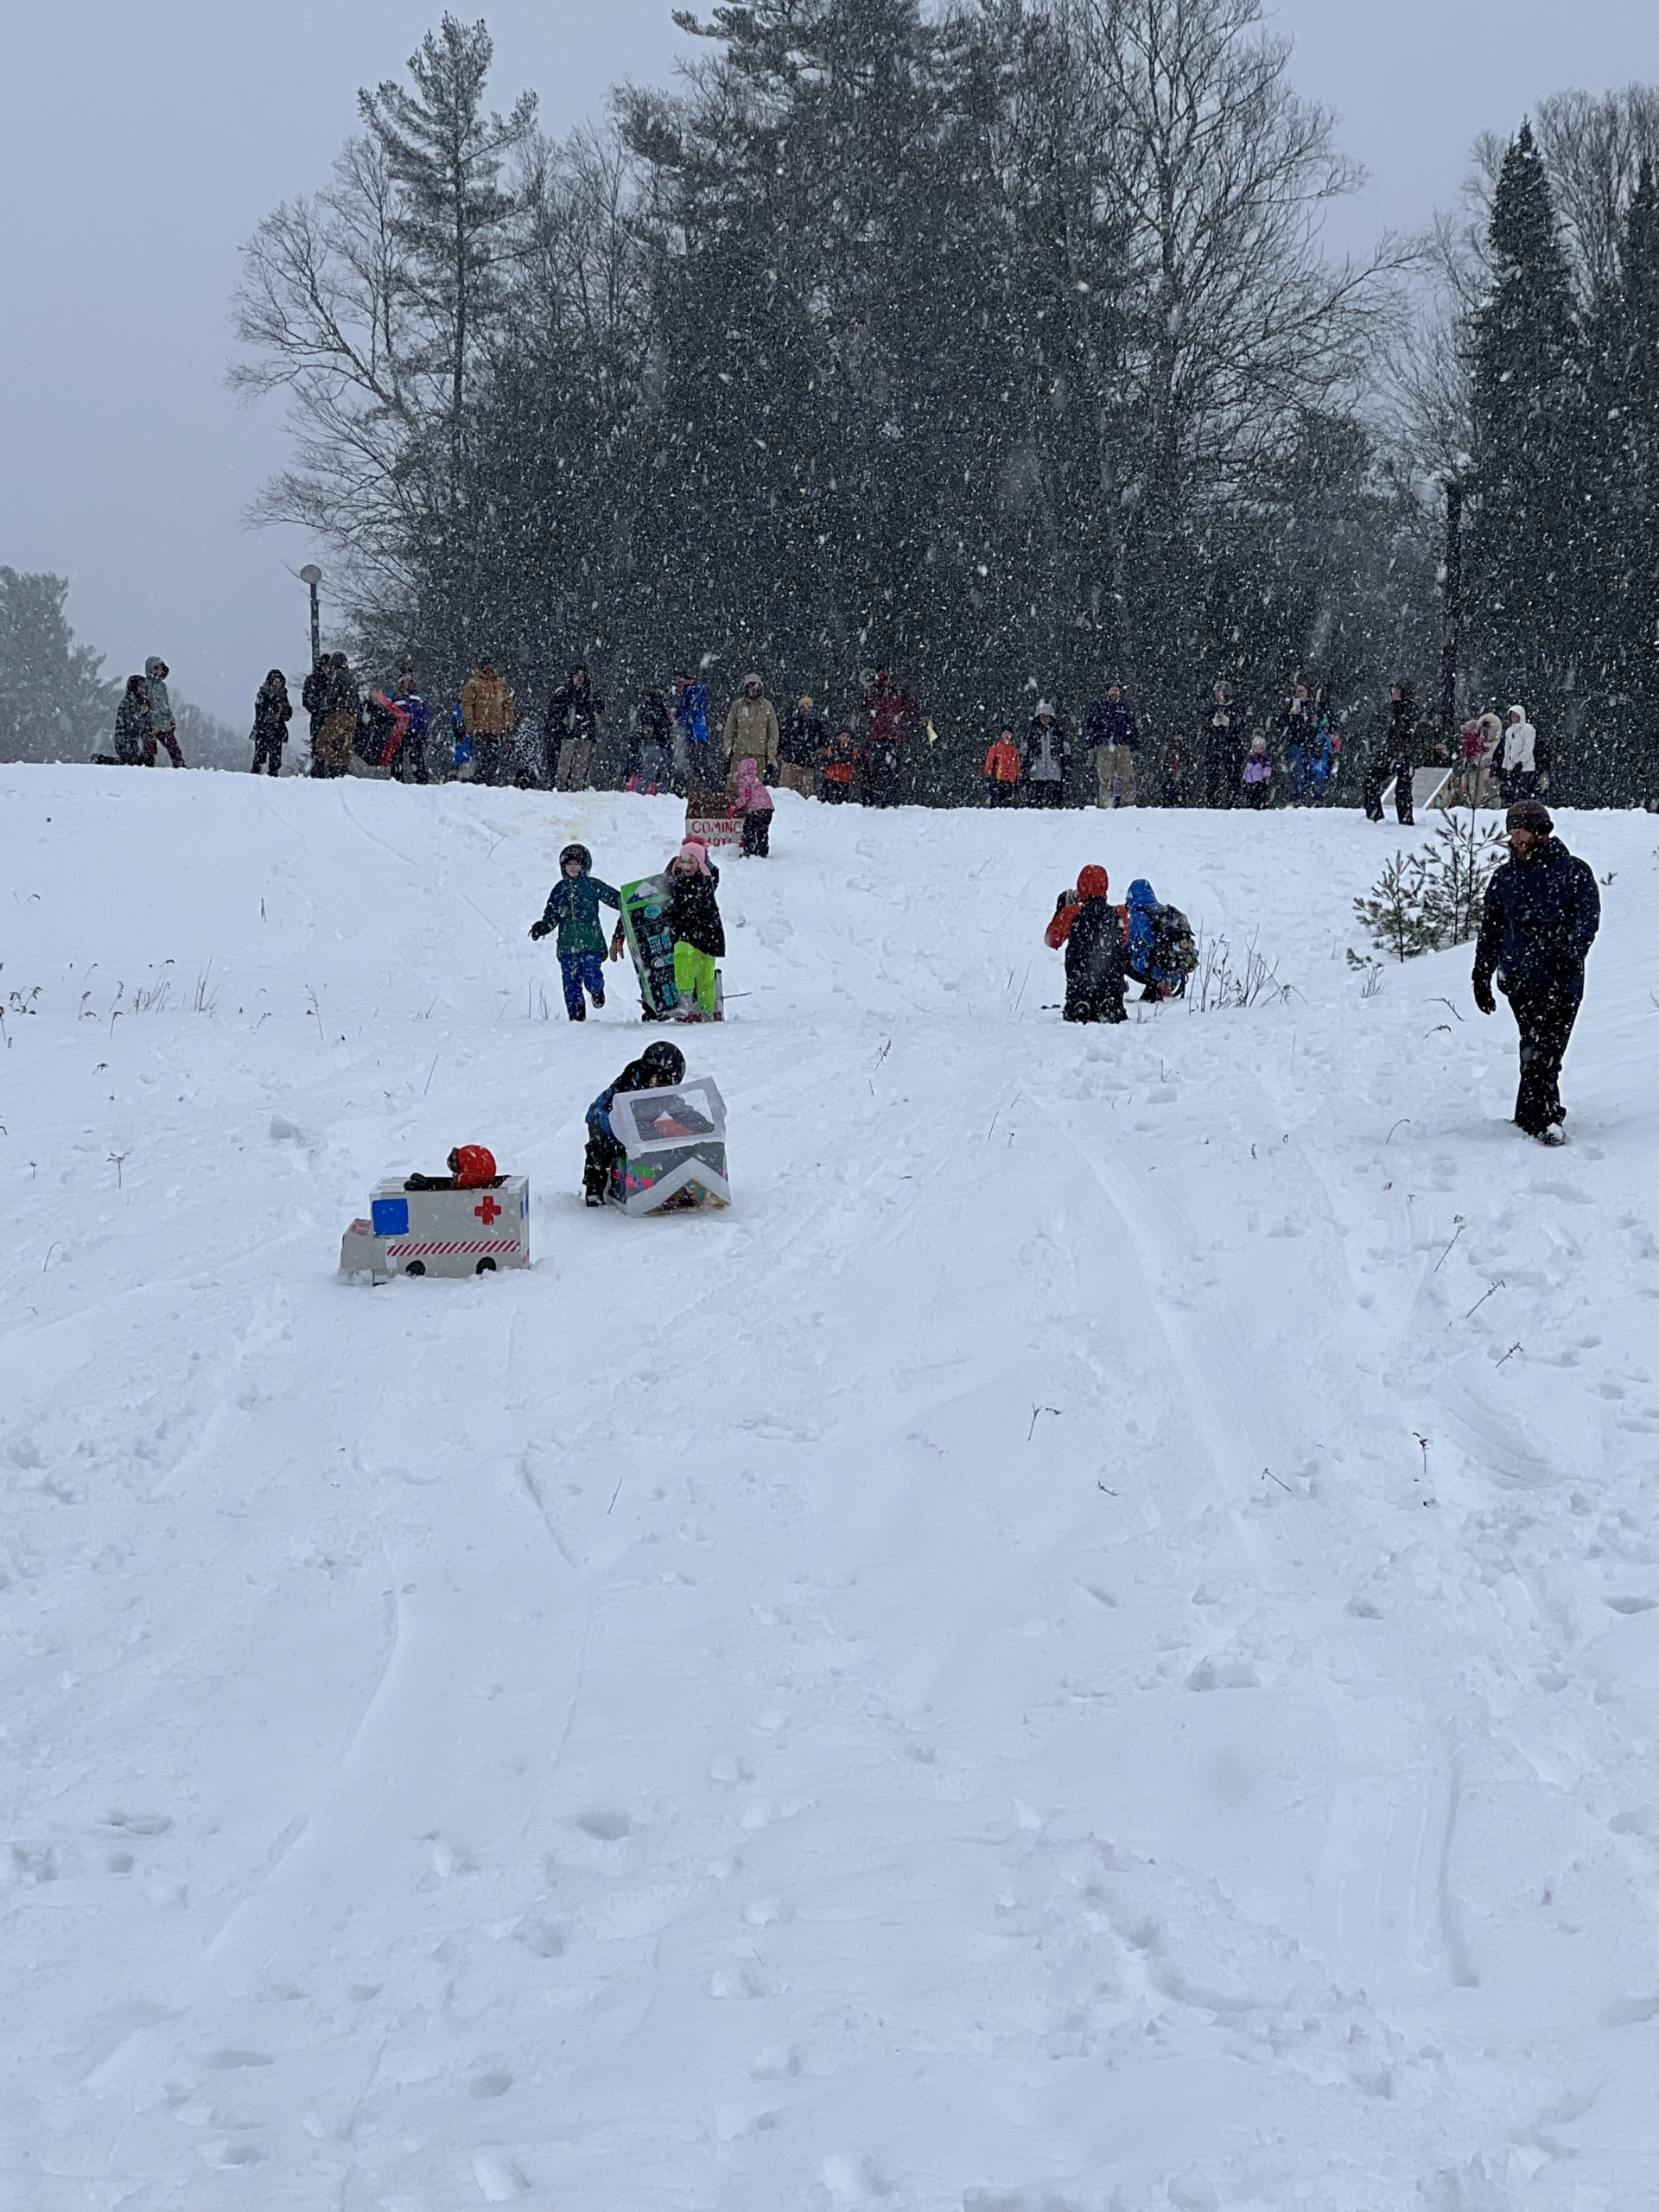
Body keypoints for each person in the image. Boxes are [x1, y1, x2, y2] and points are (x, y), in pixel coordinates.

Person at [1471, 801, 1599, 1144]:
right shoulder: (1505, 878)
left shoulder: (1574, 872)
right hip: (1520, 979)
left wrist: (1571, 954)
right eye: (1511, 832)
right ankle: (1542, 1120)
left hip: (1563, 981)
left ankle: (1535, 1115)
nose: (1514, 838)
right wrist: (1481, 976)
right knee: (1538, 1050)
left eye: (1521, 831)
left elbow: (1587, 919)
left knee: (1546, 1052)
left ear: (1541, 832)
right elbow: (1491, 930)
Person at [620, 837, 725, 1020]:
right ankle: (684, 1001)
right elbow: (642, 902)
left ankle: (707, 1010)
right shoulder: (674, 881)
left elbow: (710, 877)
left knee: (705, 974)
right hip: (685, 932)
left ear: (700, 864)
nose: (686, 866)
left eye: (691, 862)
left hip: (708, 933)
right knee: (682, 954)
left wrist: (702, 854)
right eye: (683, 861)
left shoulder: (706, 881)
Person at [582, 1040, 687, 1206]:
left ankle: (657, 1183)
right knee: (602, 1149)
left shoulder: (663, 1092)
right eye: (658, 1081)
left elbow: (680, 1109)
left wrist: (700, 1124)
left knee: (658, 1141)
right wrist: (628, 1134)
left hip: (637, 1121)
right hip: (603, 1120)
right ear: (648, 1074)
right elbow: (614, 1114)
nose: (661, 1088)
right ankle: (594, 1190)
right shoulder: (627, 1085)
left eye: (668, 1085)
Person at [530, 842, 624, 1021]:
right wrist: (543, 927)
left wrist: (633, 902)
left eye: (577, 864)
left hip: (591, 943)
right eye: (569, 864)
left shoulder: (592, 885)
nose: (573, 868)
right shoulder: (560, 889)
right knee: (571, 984)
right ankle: (576, 1019)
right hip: (567, 947)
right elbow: (552, 915)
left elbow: (616, 899)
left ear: (584, 866)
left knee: (591, 975)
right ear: (563, 867)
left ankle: (597, 991)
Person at [1045, 865, 1128, 1024]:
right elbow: (1124, 941)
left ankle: (1082, 1005)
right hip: (1111, 991)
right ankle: (1109, 1005)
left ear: (1080, 885)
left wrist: (1060, 910)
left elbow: (1052, 940)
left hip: (1080, 990)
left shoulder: (1070, 913)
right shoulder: (1118, 914)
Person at [1123, 879, 1197, 1000]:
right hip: (1173, 970)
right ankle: (1159, 990)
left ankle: (1119, 992)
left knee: (1119, 958)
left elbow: (1127, 943)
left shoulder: (1138, 917)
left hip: (1155, 972)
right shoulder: (1162, 912)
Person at [861, 666, 921, 807]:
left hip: (894, 736)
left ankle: (892, 800)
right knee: (878, 768)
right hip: (878, 735)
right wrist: (869, 693)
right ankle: (879, 799)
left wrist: (920, 718)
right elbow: (865, 709)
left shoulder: (898, 692)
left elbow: (910, 706)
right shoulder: (874, 692)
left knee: (893, 769)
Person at [546, 664, 604, 791]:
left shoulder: (589, 693)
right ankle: (560, 786)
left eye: (582, 676)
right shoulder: (564, 692)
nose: (579, 679)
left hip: (585, 732)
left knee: (581, 763)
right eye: (577, 675)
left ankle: (576, 786)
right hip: (568, 733)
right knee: (564, 762)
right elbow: (555, 710)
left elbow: (599, 708)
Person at [1084, 683, 1138, 807]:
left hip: (1122, 746)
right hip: (1105, 747)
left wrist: (1132, 742)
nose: (1114, 693)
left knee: (1126, 777)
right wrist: (1095, 741)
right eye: (1112, 690)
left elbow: (1132, 726)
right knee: (1105, 778)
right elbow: (1091, 726)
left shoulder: (1124, 709)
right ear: (1107, 692)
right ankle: (1106, 804)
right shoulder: (1099, 708)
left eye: (1117, 691)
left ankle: (1127, 804)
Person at [461, 659, 516, 786]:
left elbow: (508, 706)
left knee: (494, 758)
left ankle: (487, 781)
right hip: (481, 729)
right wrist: (470, 724)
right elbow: (467, 705)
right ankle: (481, 781)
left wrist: (509, 724)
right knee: (483, 757)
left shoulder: (501, 684)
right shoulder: (474, 683)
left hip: (497, 729)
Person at [722, 672, 780, 789]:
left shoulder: (767, 706)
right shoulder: (738, 705)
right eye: (748, 685)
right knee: (735, 785)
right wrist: (727, 748)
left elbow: (773, 731)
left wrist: (771, 753)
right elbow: (729, 729)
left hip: (758, 753)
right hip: (739, 752)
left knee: (755, 786)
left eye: (754, 685)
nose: (752, 688)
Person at [311, 653, 357, 779]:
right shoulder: (350, 677)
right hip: (351, 716)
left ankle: (336, 765)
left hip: (339, 714)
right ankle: (343, 769)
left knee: (321, 742)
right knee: (344, 745)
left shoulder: (336, 675)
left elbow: (331, 696)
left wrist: (325, 708)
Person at [141, 657, 185, 766]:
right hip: (150, 724)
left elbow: (165, 705)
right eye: (157, 668)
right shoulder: (145, 684)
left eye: (161, 669)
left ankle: (181, 768)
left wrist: (171, 720)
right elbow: (144, 704)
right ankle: (146, 769)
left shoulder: (162, 686)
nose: (160, 671)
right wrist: (148, 722)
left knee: (174, 748)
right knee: (149, 750)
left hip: (164, 724)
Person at [673, 671, 712, 791]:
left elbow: (692, 711)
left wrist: (678, 717)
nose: (678, 687)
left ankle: (702, 789)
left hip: (696, 734)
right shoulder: (693, 691)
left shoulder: (694, 691)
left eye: (680, 682)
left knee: (697, 764)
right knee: (695, 764)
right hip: (693, 734)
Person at [1204, 684, 1242, 807]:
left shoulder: (1235, 707)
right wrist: (1212, 723)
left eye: (1220, 693)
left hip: (1231, 746)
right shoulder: (1212, 707)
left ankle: (1233, 802)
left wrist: (1229, 723)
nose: (1218, 696)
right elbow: (1205, 725)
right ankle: (1211, 801)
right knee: (1212, 775)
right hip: (1214, 745)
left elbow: (1240, 725)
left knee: (1232, 775)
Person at [779, 696, 824, 798]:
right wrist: (780, 752)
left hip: (808, 764)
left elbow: (823, 741)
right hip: (790, 762)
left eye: (809, 707)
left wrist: (819, 750)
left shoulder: (817, 724)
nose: (806, 709)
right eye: (804, 706)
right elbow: (782, 738)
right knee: (785, 793)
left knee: (806, 796)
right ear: (799, 708)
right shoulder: (790, 722)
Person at [1025, 701, 1067, 807]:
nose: (1045, 719)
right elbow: (1026, 752)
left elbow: (1065, 752)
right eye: (1042, 716)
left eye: (1047, 716)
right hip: (1036, 774)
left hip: (1054, 773)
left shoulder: (1058, 733)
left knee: (1054, 805)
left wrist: (1065, 769)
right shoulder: (1032, 733)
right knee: (1034, 804)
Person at [251, 670, 292, 776]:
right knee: (260, 756)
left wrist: (286, 712)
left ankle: (273, 776)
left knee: (275, 758)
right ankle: (254, 776)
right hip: (263, 729)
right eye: (276, 681)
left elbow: (286, 715)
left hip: (278, 730)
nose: (278, 684)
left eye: (280, 682)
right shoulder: (263, 694)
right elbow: (259, 711)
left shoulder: (283, 694)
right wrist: (271, 707)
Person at [1281, 683, 1317, 804]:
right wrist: (1290, 714)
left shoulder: (1313, 706)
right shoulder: (1290, 705)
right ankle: (1298, 799)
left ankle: (1311, 799)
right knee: (1298, 772)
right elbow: (1280, 723)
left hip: (1312, 744)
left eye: (1301, 691)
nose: (1298, 694)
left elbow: (1316, 724)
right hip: (1295, 743)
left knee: (1312, 773)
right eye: (1297, 691)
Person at [630, 690, 672, 794]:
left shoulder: (646, 711)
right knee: (657, 772)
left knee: (650, 772)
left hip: (652, 744)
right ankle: (659, 794)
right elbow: (661, 726)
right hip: (657, 744)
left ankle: (640, 792)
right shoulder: (658, 711)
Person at [394, 672, 430, 785]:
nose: (407, 677)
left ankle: (422, 782)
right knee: (397, 758)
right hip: (399, 732)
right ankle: (397, 782)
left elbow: (424, 714)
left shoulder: (418, 695)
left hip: (415, 731)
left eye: (409, 674)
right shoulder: (394, 696)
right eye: (405, 674)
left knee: (417, 758)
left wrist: (424, 731)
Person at [734, 756, 774, 855]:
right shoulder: (756, 780)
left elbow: (746, 795)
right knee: (762, 830)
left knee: (749, 828)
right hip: (768, 809)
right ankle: (762, 849)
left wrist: (736, 805)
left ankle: (750, 849)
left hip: (757, 809)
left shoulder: (745, 780)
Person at [1499, 704, 1538, 805]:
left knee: (1522, 794)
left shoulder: (1528, 729)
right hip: (1512, 768)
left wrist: (1520, 762)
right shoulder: (1509, 731)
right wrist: (1505, 766)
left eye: (1517, 716)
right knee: (1512, 794)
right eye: (1513, 716)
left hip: (1525, 768)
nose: (1515, 718)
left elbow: (1528, 749)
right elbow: (1507, 750)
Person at [111, 674, 151, 766]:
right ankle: (101, 761)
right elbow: (131, 725)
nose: (143, 690)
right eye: (140, 687)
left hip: (135, 743)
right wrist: (142, 714)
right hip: (127, 743)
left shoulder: (141, 702)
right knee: (132, 764)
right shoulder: (129, 702)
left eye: (144, 687)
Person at [984, 727, 1024, 804]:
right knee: (996, 802)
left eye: (1009, 734)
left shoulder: (1014, 750)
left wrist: (1018, 776)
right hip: (998, 780)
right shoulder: (996, 748)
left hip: (1010, 782)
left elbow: (1017, 765)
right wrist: (989, 775)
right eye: (1005, 734)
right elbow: (990, 762)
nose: (1007, 736)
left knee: (1007, 803)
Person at [821, 728, 858, 803]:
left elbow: (855, 763)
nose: (846, 738)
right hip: (831, 777)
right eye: (843, 736)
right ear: (838, 737)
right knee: (826, 801)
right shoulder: (831, 748)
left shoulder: (852, 750)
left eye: (848, 736)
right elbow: (825, 761)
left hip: (845, 779)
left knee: (842, 802)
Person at [1160, 733, 1192, 807]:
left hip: (1182, 781)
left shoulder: (1186, 753)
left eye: (1178, 741)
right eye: (1175, 741)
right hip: (1170, 781)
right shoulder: (1168, 752)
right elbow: (1164, 766)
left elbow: (1189, 766)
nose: (1176, 744)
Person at [1242, 733, 1272, 807]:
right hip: (1249, 782)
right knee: (1249, 798)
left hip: (1259, 782)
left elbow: (1267, 769)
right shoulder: (1250, 759)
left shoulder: (1264, 760)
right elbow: (1247, 770)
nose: (1258, 750)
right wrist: (1244, 779)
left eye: (1260, 749)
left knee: (1259, 798)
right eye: (1256, 748)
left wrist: (1265, 778)